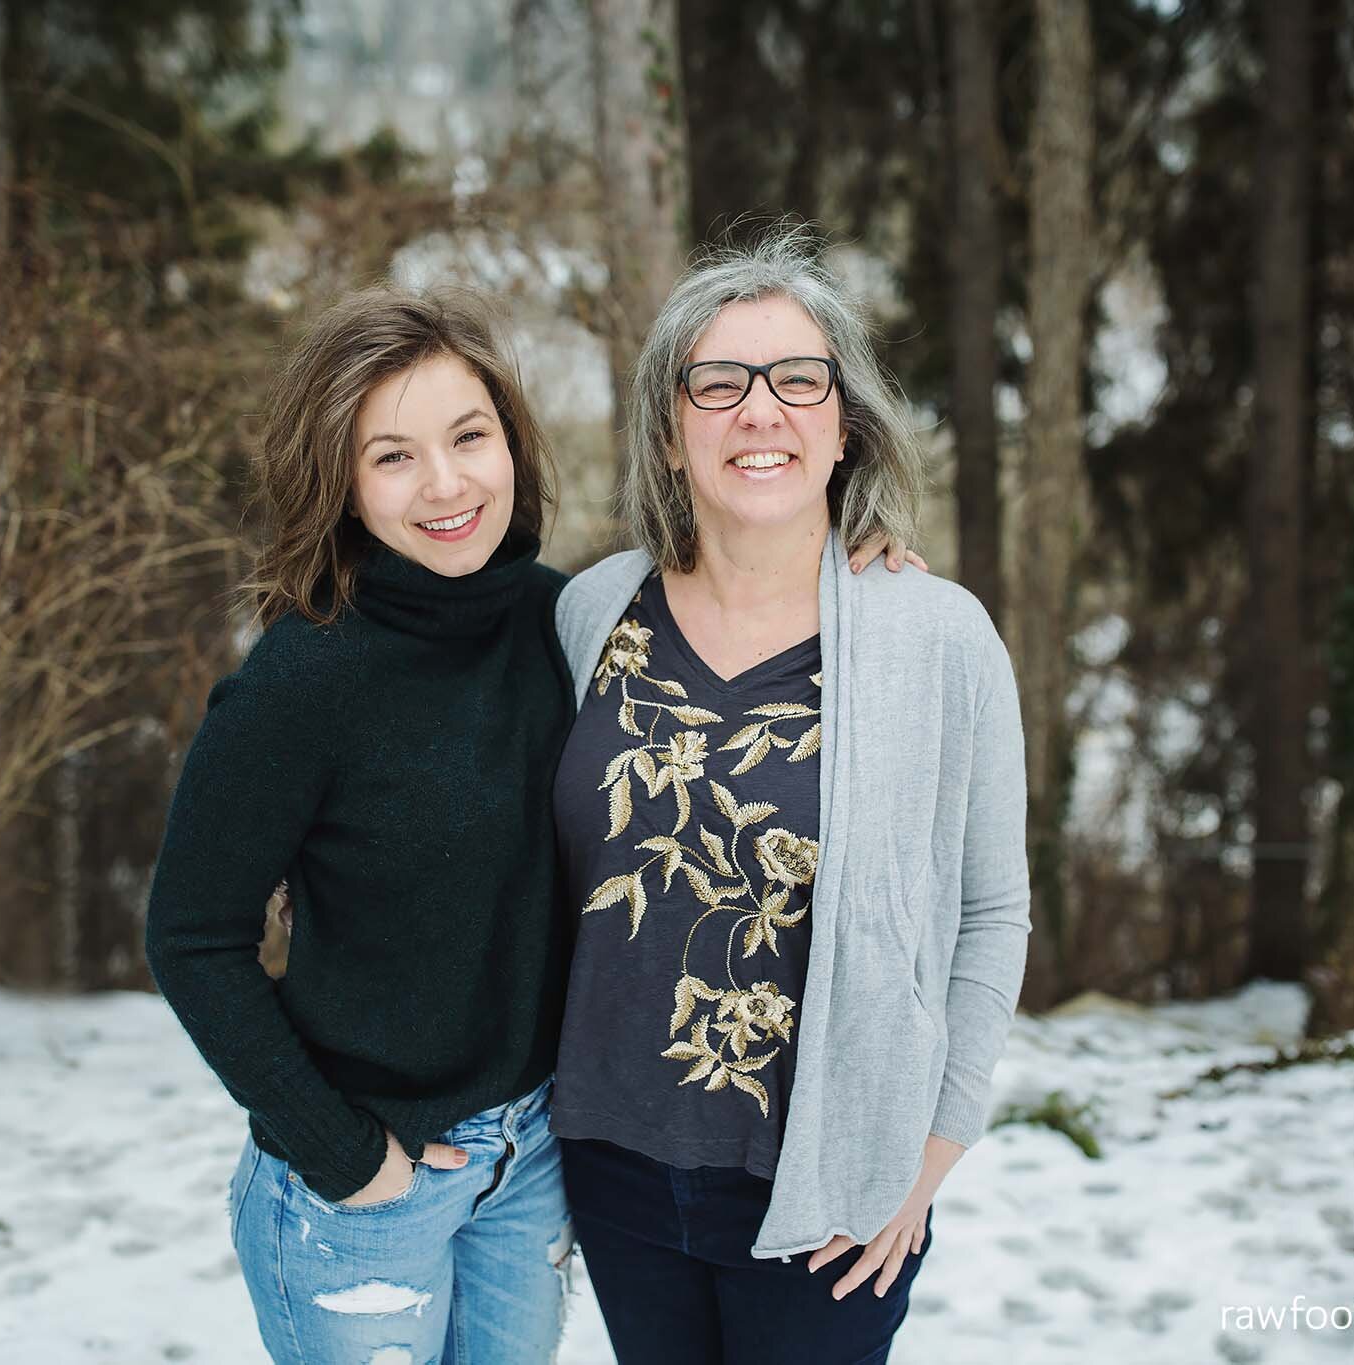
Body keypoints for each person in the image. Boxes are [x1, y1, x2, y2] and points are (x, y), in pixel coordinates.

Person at [549, 230, 1033, 1365]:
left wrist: (927, 1153)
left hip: (825, 1197)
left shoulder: (934, 638)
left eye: (795, 379)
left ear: (841, 422)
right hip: (608, 1163)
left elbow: (989, 912)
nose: (756, 410)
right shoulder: (589, 614)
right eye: (715, 383)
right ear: (669, 434)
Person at [143, 288, 577, 1364]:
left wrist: (861, 559)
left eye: (468, 436)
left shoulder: (564, 625)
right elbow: (191, 937)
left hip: (530, 1164)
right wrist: (342, 1154)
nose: (445, 484)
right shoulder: (303, 679)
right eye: (391, 457)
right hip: (364, 1191)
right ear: (338, 482)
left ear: (510, 442)